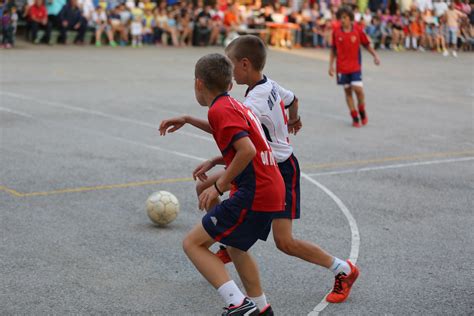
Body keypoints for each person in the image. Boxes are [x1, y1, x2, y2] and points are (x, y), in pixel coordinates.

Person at [219, 35, 359, 304]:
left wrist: (218, 171)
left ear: (245, 64)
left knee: (285, 242)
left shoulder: (251, 104)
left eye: (231, 65)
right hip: (270, 165)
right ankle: (230, 244)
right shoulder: (268, 84)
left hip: (280, 171)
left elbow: (241, 141)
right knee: (238, 200)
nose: (230, 71)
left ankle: (344, 270)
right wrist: (294, 120)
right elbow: (293, 99)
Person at [159, 53, 286, 315]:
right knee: (235, 246)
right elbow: (238, 135)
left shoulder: (220, 109)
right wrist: (188, 120)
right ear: (230, 85)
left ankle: (238, 304)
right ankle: (262, 309)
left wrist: (218, 187)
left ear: (198, 84)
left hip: (256, 190)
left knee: (193, 244)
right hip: (272, 186)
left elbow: (247, 150)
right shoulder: (232, 105)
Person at [329, 6, 380, 128]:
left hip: (355, 66)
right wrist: (331, 66)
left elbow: (366, 44)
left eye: (345, 17)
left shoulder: (357, 30)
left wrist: (375, 56)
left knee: (359, 90)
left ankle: (361, 109)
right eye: (341, 18)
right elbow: (333, 50)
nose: (342, 20)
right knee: (348, 92)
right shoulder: (336, 32)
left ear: (350, 18)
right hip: (342, 68)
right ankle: (354, 116)